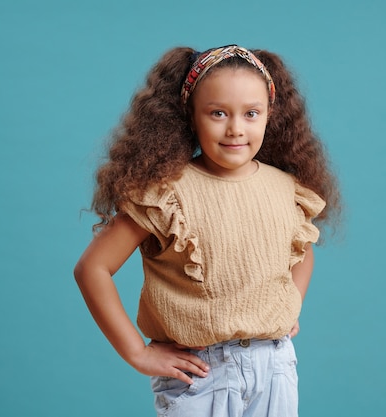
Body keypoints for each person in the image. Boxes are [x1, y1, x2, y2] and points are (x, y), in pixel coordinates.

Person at [74, 44, 341, 417]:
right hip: (200, 374)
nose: (236, 128)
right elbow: (92, 269)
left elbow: (301, 252)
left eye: (251, 113)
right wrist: (137, 352)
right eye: (218, 113)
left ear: (269, 114)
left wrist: (288, 305)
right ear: (190, 116)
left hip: (275, 368)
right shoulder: (166, 193)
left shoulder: (286, 189)